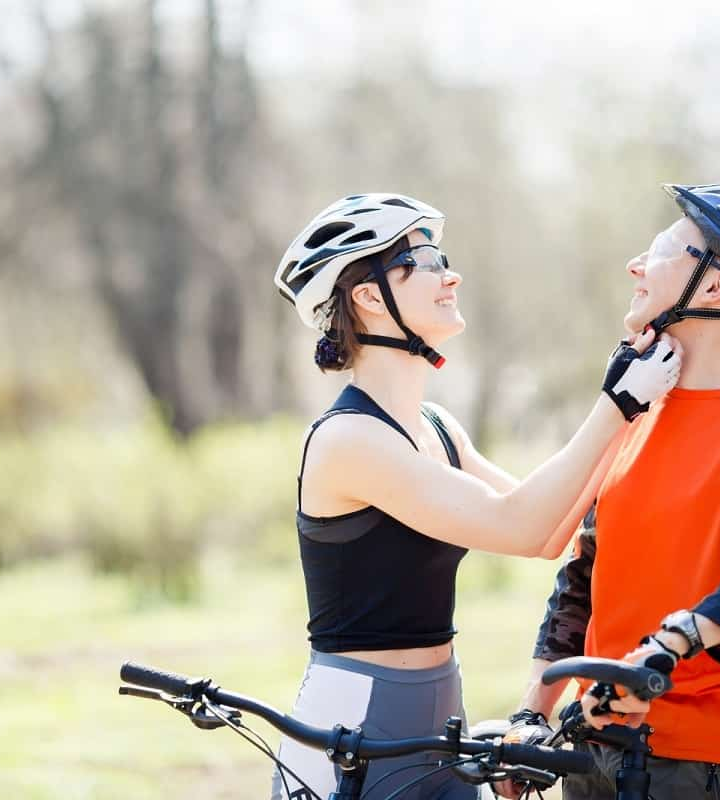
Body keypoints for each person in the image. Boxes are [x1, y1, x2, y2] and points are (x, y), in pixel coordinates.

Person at [269, 193, 682, 799]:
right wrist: (616, 404)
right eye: (427, 258)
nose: (450, 273)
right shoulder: (347, 439)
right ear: (366, 296)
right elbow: (515, 525)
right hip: (353, 723)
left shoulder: (436, 427)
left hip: (440, 711)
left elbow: (550, 535)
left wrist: (629, 412)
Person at [496, 184, 720, 800]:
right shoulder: (636, 415)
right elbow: (583, 578)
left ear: (712, 286)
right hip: (593, 754)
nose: (635, 266)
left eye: (660, 251)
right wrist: (533, 712)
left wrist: (666, 646)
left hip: (706, 762)